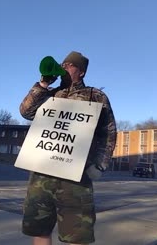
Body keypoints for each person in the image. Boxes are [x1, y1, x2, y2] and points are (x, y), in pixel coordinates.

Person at [19, 51, 117, 245]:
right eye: (62, 64)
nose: (63, 67)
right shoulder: (49, 94)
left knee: (76, 235)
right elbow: (25, 111)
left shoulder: (95, 96)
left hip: (75, 176)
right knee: (40, 229)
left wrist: (100, 165)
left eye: (69, 65)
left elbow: (108, 133)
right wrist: (43, 84)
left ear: (80, 72)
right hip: (42, 173)